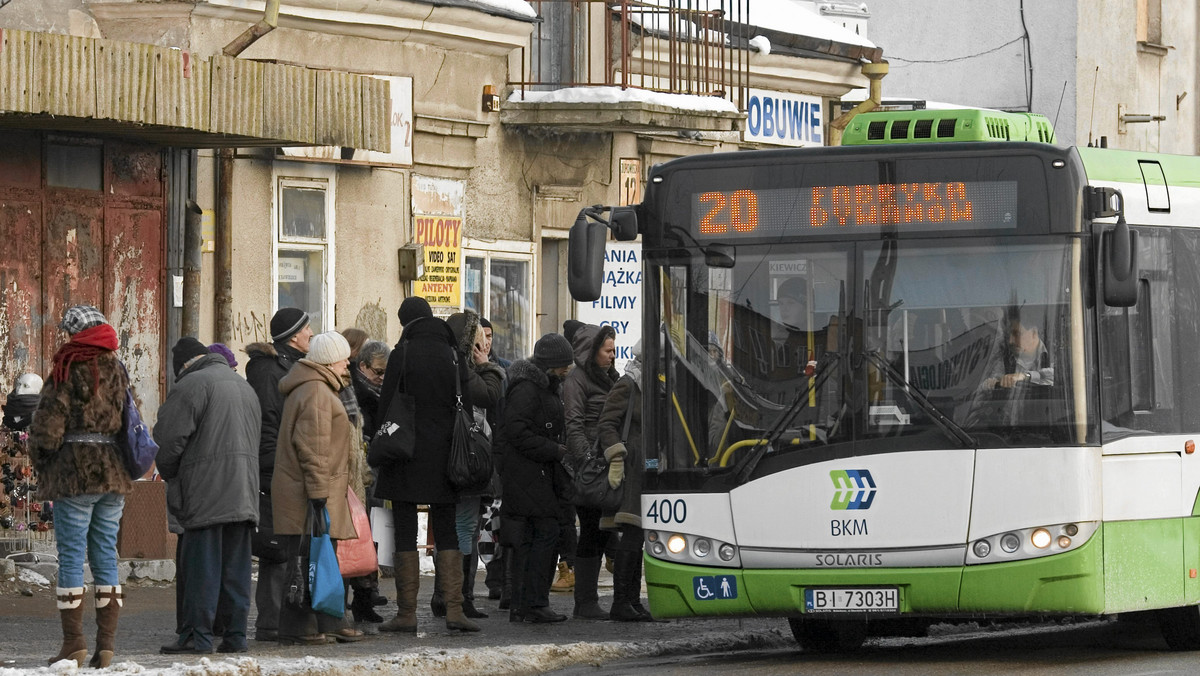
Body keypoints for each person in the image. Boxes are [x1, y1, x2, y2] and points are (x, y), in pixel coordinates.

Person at [28, 305, 134, 668]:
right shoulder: (117, 368)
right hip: (114, 473)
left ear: (74, 334)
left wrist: (42, 461)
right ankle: (106, 646)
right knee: (106, 554)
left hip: (75, 473)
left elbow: (48, 426)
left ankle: (73, 643)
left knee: (72, 556)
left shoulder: (68, 365)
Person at [374, 297, 482, 634]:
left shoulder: (402, 354)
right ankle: (454, 610)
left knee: (405, 529)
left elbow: (386, 406)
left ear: (406, 322)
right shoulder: (452, 354)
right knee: (447, 528)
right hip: (447, 454)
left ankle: (406, 613)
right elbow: (467, 397)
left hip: (405, 454)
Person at [155, 337, 262, 654]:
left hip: (205, 493)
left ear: (183, 366)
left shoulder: (191, 385)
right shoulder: (243, 387)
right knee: (236, 569)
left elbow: (167, 442)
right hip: (243, 492)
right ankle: (236, 637)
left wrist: (173, 473)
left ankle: (198, 637)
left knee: (202, 567)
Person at [272, 331, 366, 645]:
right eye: (342, 358)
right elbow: (314, 450)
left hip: (315, 492)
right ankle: (300, 627)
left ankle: (328, 620)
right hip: (311, 495)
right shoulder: (316, 393)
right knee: (306, 561)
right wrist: (318, 495)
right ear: (327, 360)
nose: (347, 364)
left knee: (320, 558)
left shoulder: (317, 388)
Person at [429, 310, 504, 620]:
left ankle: (446, 595)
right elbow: (491, 395)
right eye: (479, 339)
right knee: (464, 530)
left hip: (452, 458)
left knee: (457, 530)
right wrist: (486, 364)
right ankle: (459, 597)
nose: (484, 344)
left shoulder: (442, 363)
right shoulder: (462, 367)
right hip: (465, 460)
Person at [244, 307, 312, 642]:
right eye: (307, 329)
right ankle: (272, 623)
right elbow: (269, 424)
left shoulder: (285, 366)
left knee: (285, 546)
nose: (311, 334)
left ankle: (282, 620)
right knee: (276, 548)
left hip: (283, 467)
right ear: (293, 336)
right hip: (276, 469)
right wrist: (275, 466)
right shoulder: (272, 371)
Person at [500, 333, 574, 623]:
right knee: (543, 536)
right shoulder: (528, 390)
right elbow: (515, 431)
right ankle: (533, 603)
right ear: (549, 366)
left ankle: (526, 605)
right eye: (563, 365)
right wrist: (553, 449)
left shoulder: (544, 387)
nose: (567, 370)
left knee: (533, 539)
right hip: (530, 476)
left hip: (537, 475)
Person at [563, 323, 619, 619]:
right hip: (588, 470)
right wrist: (587, 460)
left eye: (614, 350)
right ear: (591, 351)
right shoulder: (577, 380)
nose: (612, 356)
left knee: (606, 530)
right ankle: (585, 601)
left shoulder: (611, 377)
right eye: (607, 350)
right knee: (591, 531)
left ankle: (602, 599)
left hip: (610, 464)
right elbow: (573, 424)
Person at [596, 339, 652, 621]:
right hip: (631, 469)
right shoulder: (630, 383)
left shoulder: (657, 384)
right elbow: (606, 423)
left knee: (639, 536)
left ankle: (632, 601)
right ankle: (622, 602)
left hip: (650, 469)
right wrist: (617, 455)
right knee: (631, 534)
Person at [347, 339, 391, 622]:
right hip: (361, 469)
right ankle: (363, 593)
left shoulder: (377, 390)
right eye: (378, 371)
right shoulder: (355, 390)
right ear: (362, 366)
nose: (382, 377)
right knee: (360, 533)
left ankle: (368, 592)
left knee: (375, 532)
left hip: (377, 466)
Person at [983, 310, 1054, 389]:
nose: (1010, 341)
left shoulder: (1056, 351)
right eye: (1007, 335)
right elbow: (982, 385)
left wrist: (1025, 376)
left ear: (1034, 333)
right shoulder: (1002, 354)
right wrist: (994, 384)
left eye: (1017, 334)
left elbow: (1058, 377)